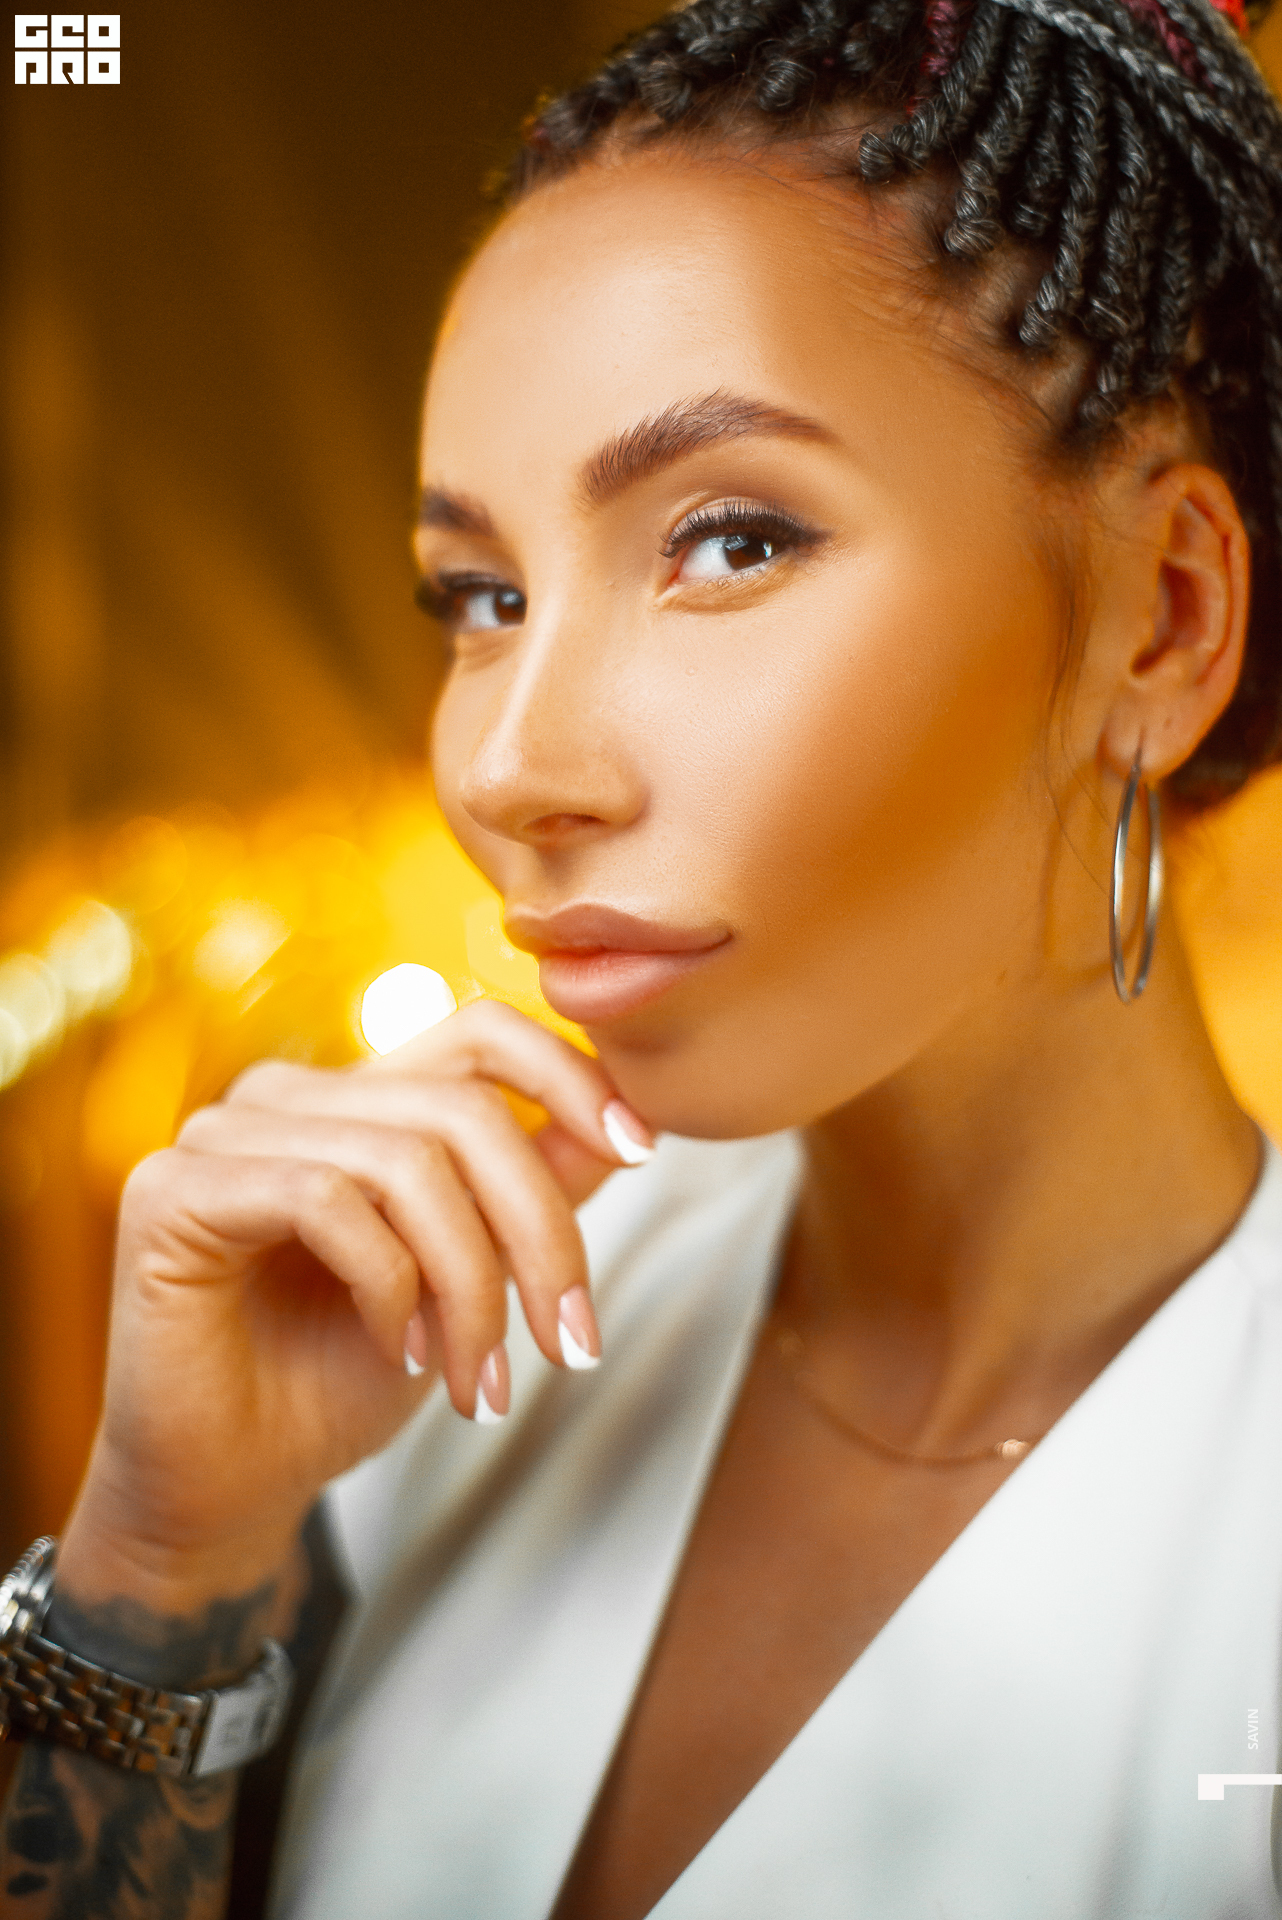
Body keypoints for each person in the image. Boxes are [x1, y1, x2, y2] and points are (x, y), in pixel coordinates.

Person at [4, 0, 1282, 1913]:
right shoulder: (441, 1340)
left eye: (731, 541)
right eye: (480, 597)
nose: (508, 768)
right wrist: (159, 1565)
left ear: (1159, 620)